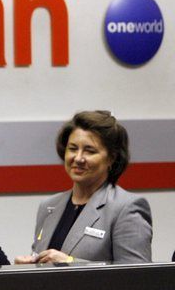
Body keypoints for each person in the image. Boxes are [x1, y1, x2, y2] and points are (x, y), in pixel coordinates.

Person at [15, 110, 152, 264]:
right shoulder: (48, 206)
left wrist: (71, 262)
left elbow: (137, 277)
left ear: (111, 158)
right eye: (73, 149)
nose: (78, 158)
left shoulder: (126, 208)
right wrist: (28, 267)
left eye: (90, 151)